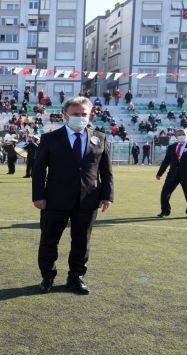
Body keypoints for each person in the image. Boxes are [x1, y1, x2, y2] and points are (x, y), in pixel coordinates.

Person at [32, 96, 114, 295]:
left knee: (81, 242)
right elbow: (39, 170)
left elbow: (106, 170)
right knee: (49, 240)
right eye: (75, 114)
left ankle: (75, 277)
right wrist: (38, 196)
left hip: (88, 199)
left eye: (83, 114)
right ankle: (47, 277)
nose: (80, 117)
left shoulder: (100, 138)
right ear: (65, 115)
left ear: (90, 115)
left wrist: (107, 195)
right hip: (54, 199)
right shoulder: (49, 138)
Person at [156, 129, 187, 219]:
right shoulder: (171, 147)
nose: (180, 136)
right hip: (172, 174)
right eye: (178, 134)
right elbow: (166, 161)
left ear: (186, 135)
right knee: (165, 193)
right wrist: (159, 173)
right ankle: (165, 211)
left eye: (182, 134)